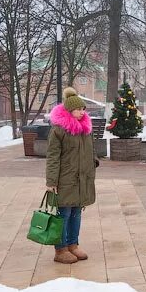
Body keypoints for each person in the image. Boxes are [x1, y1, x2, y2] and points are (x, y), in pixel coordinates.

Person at [45, 87, 98, 264]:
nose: (82, 112)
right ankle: (60, 249)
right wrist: (51, 181)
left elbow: (90, 149)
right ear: (69, 110)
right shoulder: (59, 130)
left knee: (76, 212)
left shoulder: (85, 128)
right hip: (65, 178)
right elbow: (52, 156)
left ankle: (73, 245)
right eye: (78, 109)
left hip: (82, 178)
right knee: (64, 213)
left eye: (83, 109)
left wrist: (94, 161)